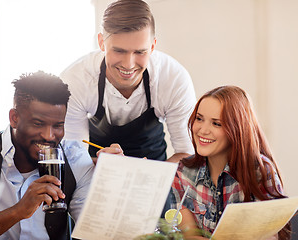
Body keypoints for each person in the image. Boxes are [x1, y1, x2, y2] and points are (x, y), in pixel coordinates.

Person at [0, 71, 95, 240]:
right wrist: (17, 212)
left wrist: (113, 177)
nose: (50, 136)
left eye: (58, 125)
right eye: (38, 123)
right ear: (14, 118)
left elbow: (94, 232)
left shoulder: (74, 158)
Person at [60, 0, 196, 163]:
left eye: (140, 52)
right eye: (119, 51)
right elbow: (71, 155)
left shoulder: (173, 78)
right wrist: (103, 164)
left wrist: (148, 174)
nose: (128, 64)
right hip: (94, 173)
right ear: (102, 42)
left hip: (156, 172)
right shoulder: (75, 81)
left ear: (152, 47)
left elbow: (187, 154)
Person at [172, 85, 290, 239]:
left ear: (237, 128)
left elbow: (272, 235)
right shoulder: (182, 172)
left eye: (216, 123)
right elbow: (189, 236)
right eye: (199, 119)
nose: (203, 130)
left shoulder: (260, 171)